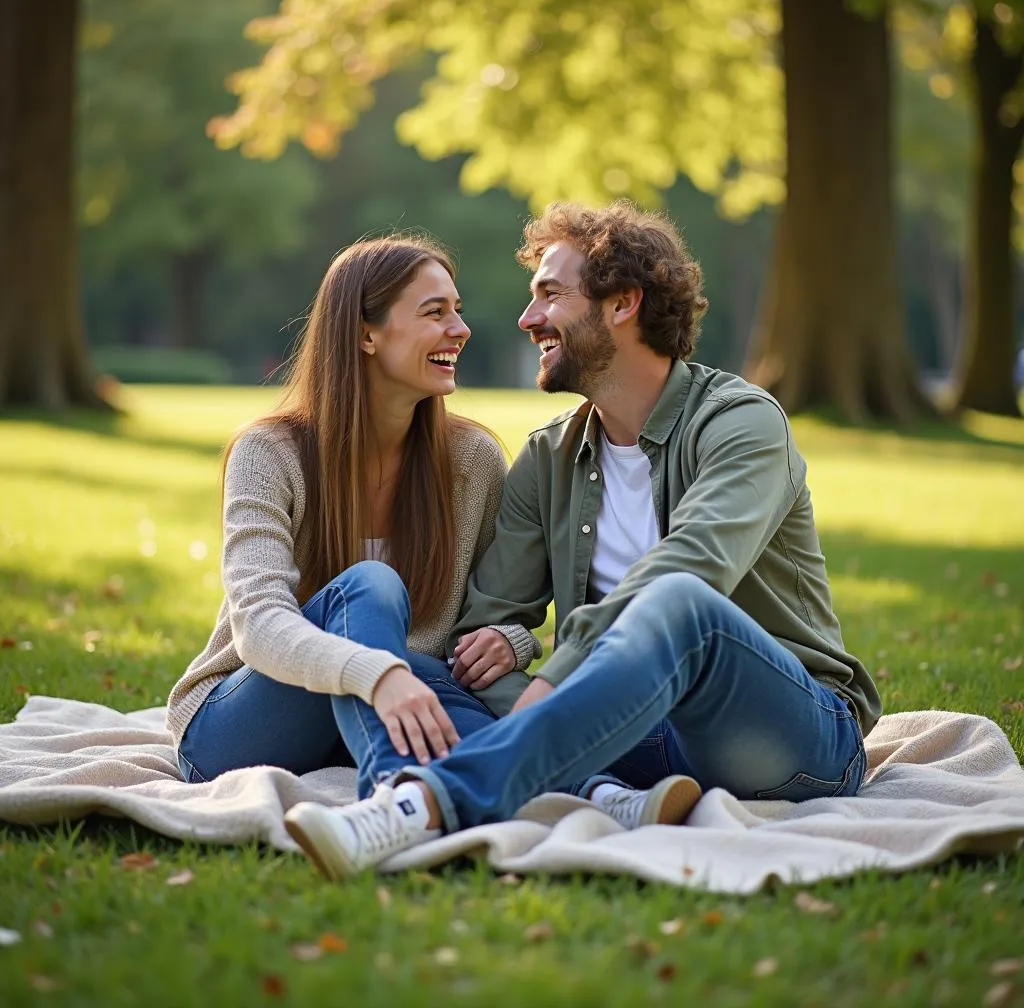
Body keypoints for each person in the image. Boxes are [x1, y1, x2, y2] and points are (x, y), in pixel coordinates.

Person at [282, 202, 883, 880]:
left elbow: (693, 566)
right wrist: (517, 661)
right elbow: (486, 629)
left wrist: (557, 680)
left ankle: (422, 806)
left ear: (623, 304)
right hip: (633, 741)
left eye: (549, 295)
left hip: (789, 738)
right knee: (415, 671)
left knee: (678, 603)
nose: (526, 318)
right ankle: (600, 793)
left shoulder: (742, 423)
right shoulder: (549, 458)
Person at [167, 234, 695, 831]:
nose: (460, 329)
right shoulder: (270, 453)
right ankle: (407, 795)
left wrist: (507, 643)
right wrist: (381, 673)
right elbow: (260, 625)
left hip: (395, 708)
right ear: (367, 334)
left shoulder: (471, 460)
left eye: (458, 310)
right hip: (241, 723)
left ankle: (594, 796)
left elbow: (496, 617)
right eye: (434, 312)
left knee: (437, 676)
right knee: (370, 588)